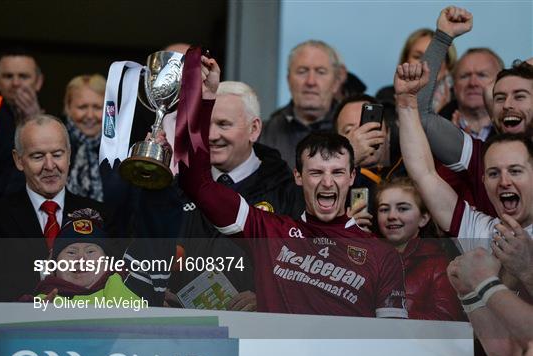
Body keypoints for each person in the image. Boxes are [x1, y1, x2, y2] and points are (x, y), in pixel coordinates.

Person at [171, 56, 407, 318]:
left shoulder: (382, 254)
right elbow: (197, 183)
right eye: (316, 172)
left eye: (337, 172)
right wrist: (205, 99)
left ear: (352, 177)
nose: (327, 182)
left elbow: (393, 341)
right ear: (298, 176)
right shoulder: (269, 230)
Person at [394, 59, 533, 356]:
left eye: (515, 171)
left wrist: (488, 282)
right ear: (483, 182)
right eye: (493, 173)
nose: (504, 182)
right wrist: (405, 103)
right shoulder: (480, 228)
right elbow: (424, 173)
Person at [165, 81, 304, 311]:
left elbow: (304, 269)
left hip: (258, 335)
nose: (211, 135)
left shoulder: (289, 193)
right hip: (184, 333)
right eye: (205, 124)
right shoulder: (177, 189)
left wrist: (268, 300)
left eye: (223, 124)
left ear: (254, 129)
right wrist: (158, 290)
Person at [418, 6, 533, 216]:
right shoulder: (478, 156)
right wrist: (443, 38)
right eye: (499, 97)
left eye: (519, 96)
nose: (507, 104)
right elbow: (421, 116)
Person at [0, 114, 104, 301]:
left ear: (69, 155)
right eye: (38, 156)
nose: (50, 165)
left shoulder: (100, 216)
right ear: (19, 160)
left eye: (57, 154)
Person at [375, 177, 463, 321]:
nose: (391, 216)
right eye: (384, 209)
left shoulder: (438, 264)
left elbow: (447, 322)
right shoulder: (369, 257)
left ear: (423, 218)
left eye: (402, 208)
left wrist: (390, 317)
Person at [27, 209, 144, 306]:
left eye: (91, 251)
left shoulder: (128, 290)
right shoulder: (37, 304)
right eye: (71, 253)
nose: (81, 259)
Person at [259, 40, 342, 168]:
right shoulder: (262, 135)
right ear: (288, 80)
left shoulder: (348, 132)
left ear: (336, 83)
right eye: (302, 71)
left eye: (320, 72)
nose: (310, 81)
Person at [0, 49, 44, 198]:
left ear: (38, 82)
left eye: (23, 76)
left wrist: (35, 121)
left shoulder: (52, 121)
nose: (15, 83)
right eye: (8, 76)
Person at [377, 28, 457, 113]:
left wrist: (444, 113)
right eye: (417, 56)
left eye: (434, 57)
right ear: (405, 61)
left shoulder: (461, 100)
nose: (425, 63)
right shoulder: (386, 99)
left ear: (448, 65)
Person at [64, 74, 106, 202]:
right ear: (68, 108)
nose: (90, 115)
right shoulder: (54, 145)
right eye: (82, 107)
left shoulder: (121, 150)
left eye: (97, 107)